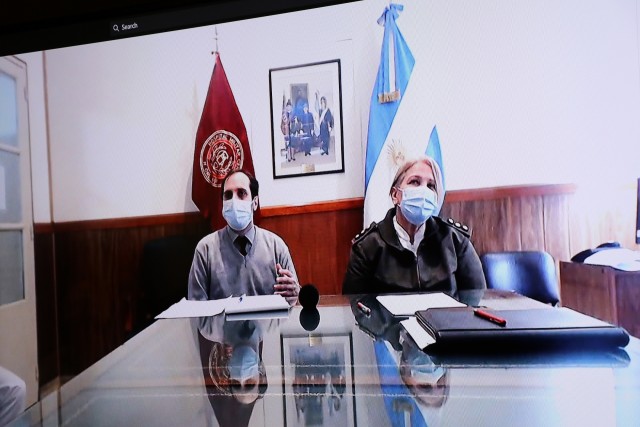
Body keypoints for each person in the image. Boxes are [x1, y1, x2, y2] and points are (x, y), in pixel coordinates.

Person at [342, 156, 486, 298]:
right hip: (391, 322)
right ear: (395, 195)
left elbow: (476, 298)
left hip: (445, 321)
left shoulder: (455, 239)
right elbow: (356, 305)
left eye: (431, 186)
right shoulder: (367, 246)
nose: (423, 191)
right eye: (415, 182)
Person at [188, 169, 300, 305]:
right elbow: (196, 307)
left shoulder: (277, 247)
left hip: (267, 326)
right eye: (228, 195)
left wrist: (294, 293)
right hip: (220, 326)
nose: (233, 201)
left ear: (255, 202)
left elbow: (291, 298)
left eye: (241, 193)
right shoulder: (205, 250)